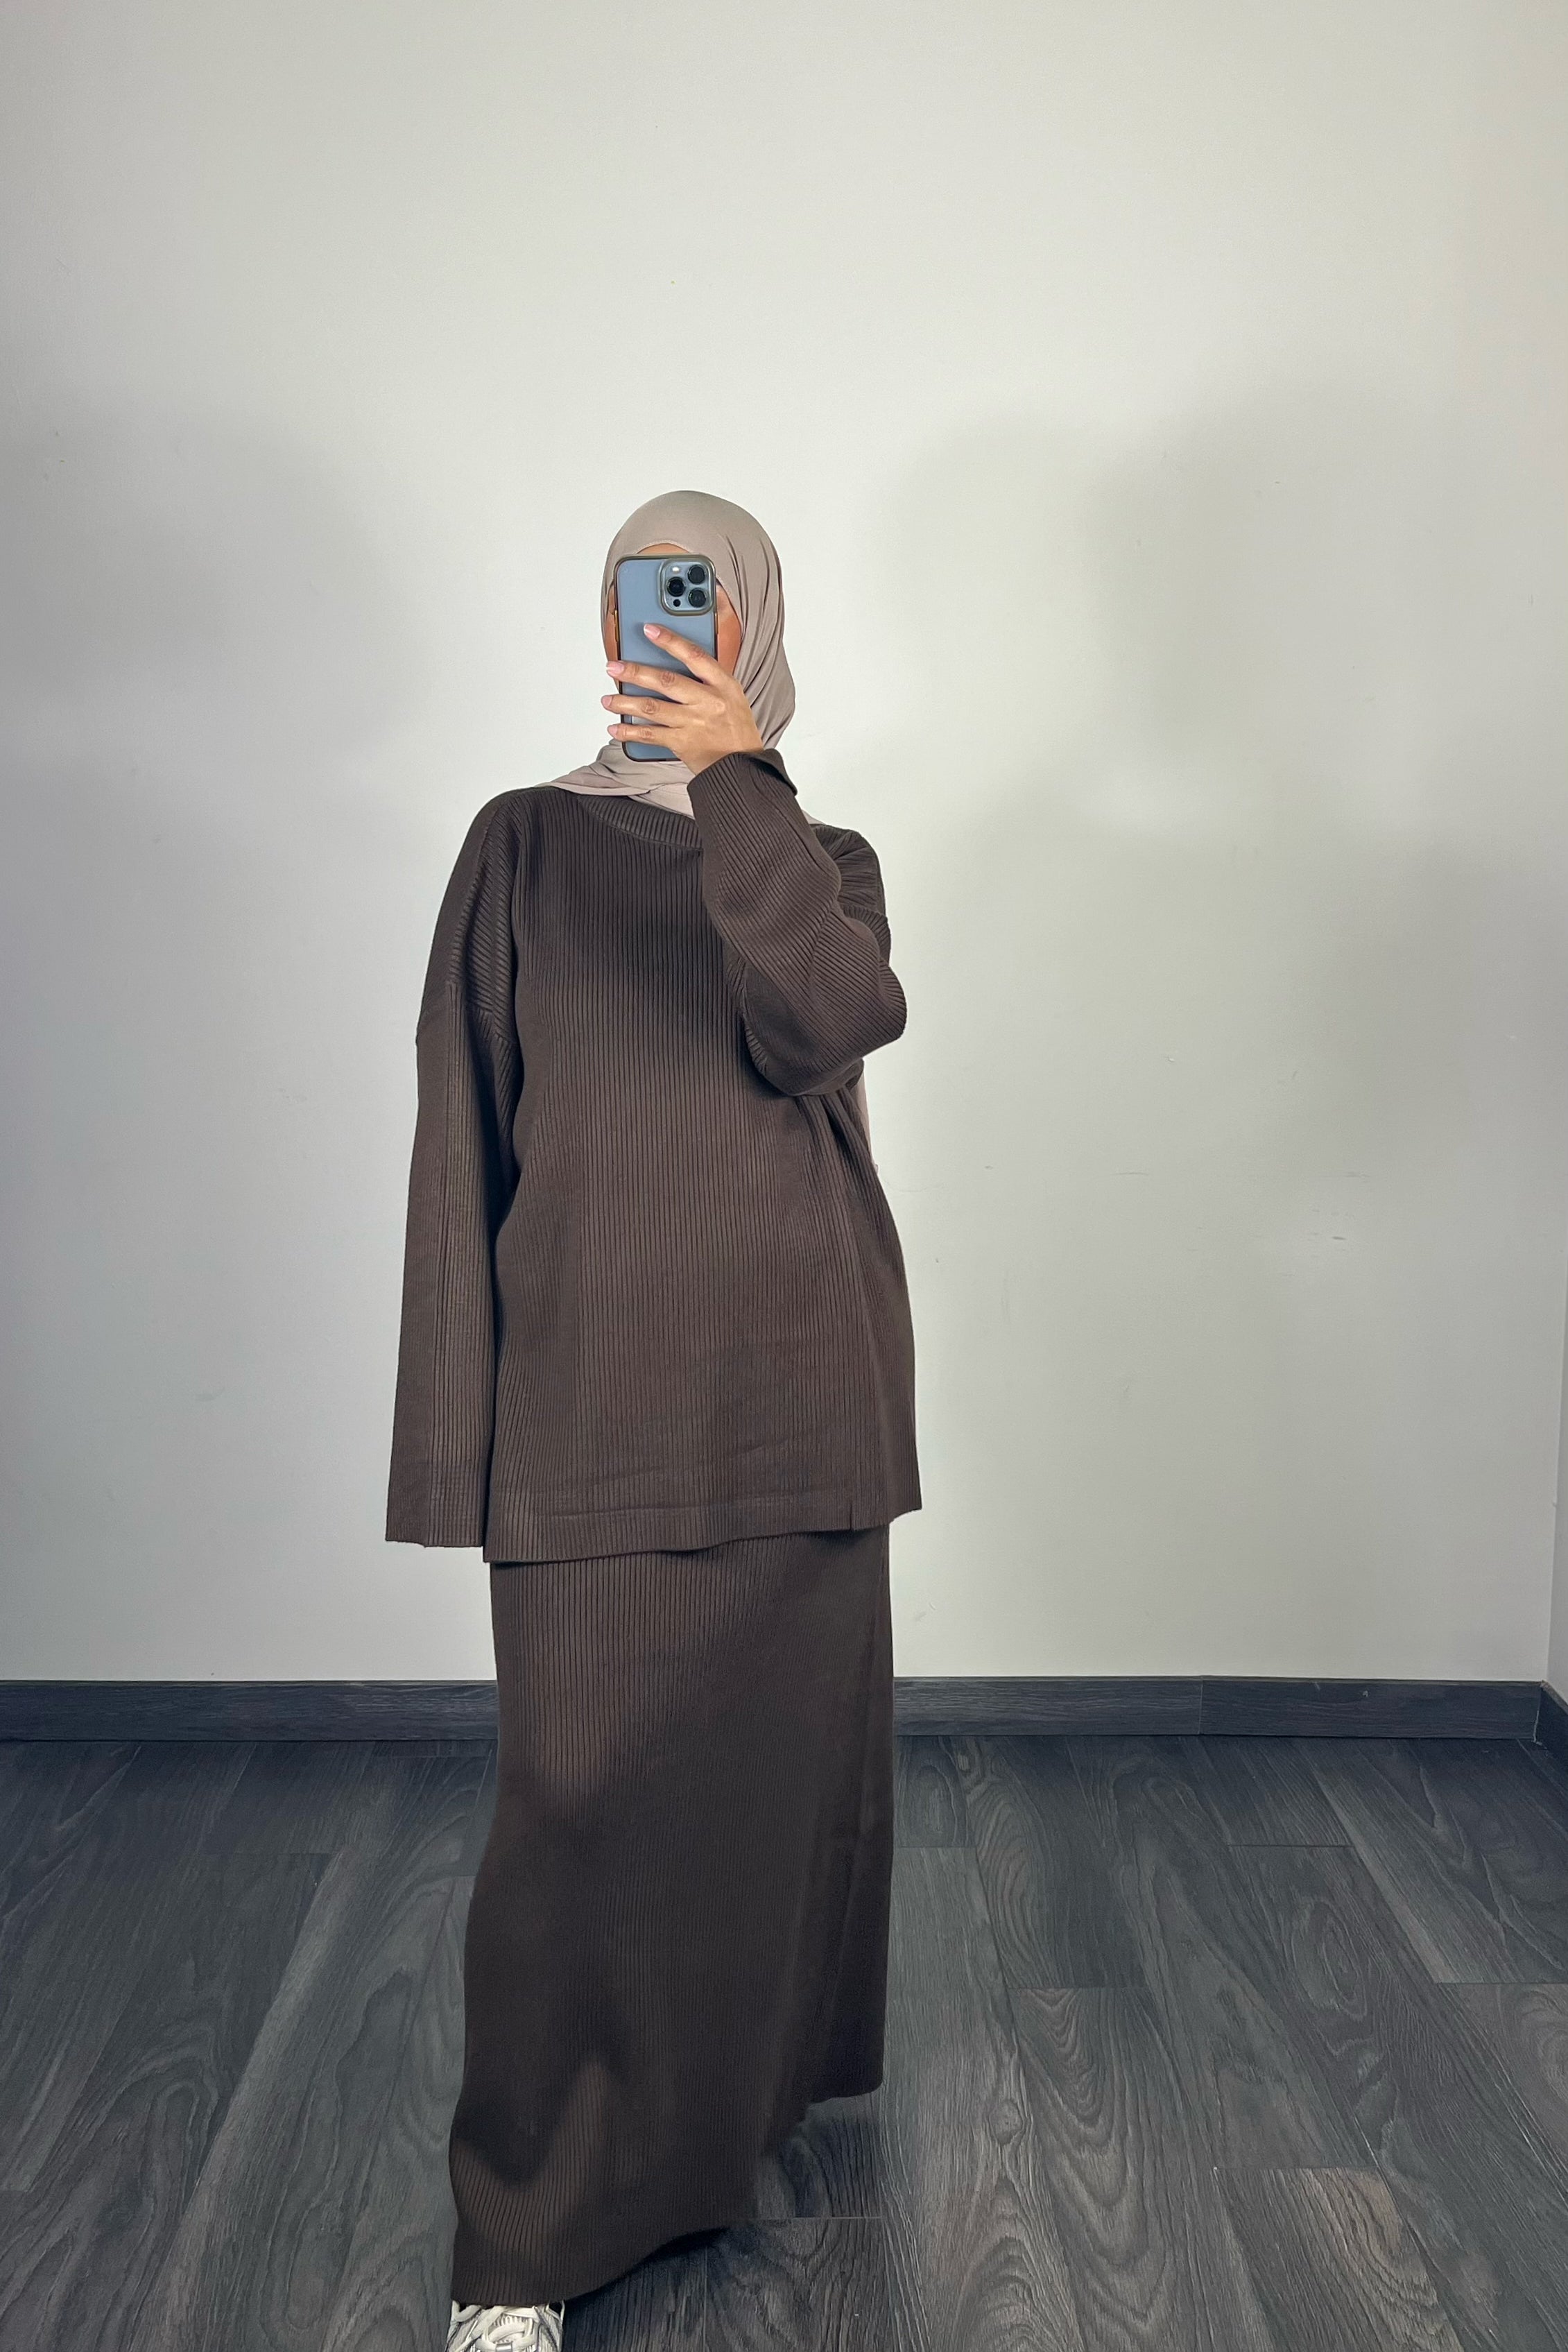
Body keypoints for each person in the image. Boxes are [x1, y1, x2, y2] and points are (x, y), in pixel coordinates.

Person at [385, 490, 921, 2352]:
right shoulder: (521, 844)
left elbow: (826, 1023)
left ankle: (718, 2133)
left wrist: (737, 781)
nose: (671, 626)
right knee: (575, 1813)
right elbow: (465, 1131)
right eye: (642, 593)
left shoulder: (818, 854)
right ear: (607, 619)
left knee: (771, 1798)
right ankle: (519, 2245)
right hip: (596, 1395)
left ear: (751, 622)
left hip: (803, 1388)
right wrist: (456, 1441)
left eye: (702, 598)